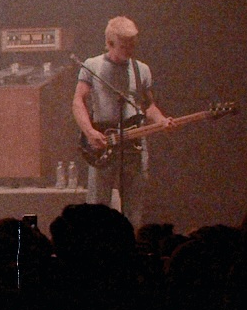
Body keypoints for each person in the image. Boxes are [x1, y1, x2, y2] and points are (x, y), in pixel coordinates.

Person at [72, 16, 173, 229]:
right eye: (124, 46)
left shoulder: (141, 69)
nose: (129, 51)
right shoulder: (92, 66)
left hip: (134, 144)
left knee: (133, 208)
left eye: (132, 46)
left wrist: (161, 120)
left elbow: (148, 106)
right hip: (104, 142)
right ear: (109, 43)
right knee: (97, 206)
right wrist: (89, 132)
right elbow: (78, 101)